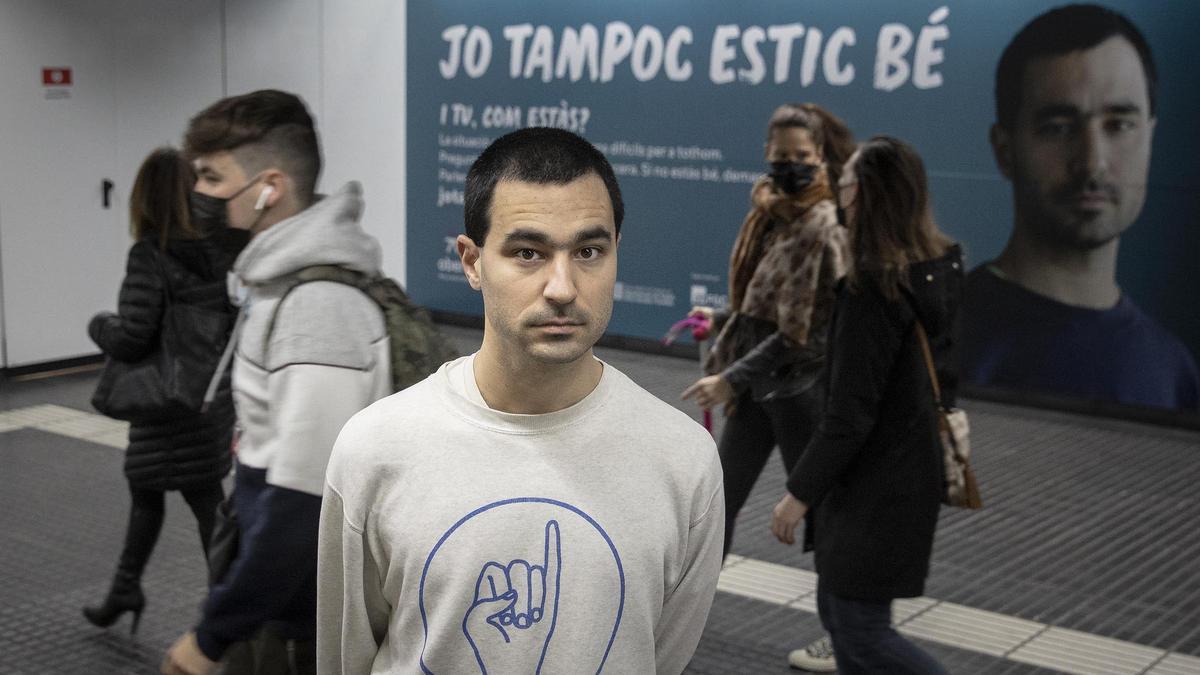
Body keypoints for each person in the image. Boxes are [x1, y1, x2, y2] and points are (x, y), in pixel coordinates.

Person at [317, 127, 724, 674]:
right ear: (472, 261)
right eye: (528, 252)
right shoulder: (375, 448)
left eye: (588, 251)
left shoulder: (683, 459)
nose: (562, 287)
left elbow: (658, 656)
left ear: (616, 255)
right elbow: (348, 656)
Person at [161, 90, 391, 675]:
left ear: (270, 187)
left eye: (212, 178)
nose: (200, 196)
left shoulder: (318, 310)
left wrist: (209, 640)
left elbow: (303, 507)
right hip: (277, 598)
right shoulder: (279, 286)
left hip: (300, 624)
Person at [771, 136, 961, 674]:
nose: (839, 193)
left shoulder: (873, 289)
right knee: (842, 615)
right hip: (910, 472)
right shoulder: (939, 269)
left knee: (860, 629)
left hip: (874, 487)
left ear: (865, 196)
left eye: (847, 181)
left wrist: (797, 496)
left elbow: (848, 417)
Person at [681, 103, 853, 673]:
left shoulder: (822, 225)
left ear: (822, 157)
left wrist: (729, 377)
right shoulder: (768, 210)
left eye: (802, 157)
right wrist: (724, 321)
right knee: (719, 498)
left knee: (822, 512)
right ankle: (683, 611)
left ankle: (848, 635)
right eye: (781, 156)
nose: (790, 167)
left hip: (800, 387)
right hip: (759, 386)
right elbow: (761, 305)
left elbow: (797, 333)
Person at [961, 3, 1199, 410]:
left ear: (1150, 138)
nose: (1092, 162)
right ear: (1005, 150)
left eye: (1119, 124)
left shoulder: (1175, 372)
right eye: (1058, 128)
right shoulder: (940, 343)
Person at [84, 147, 238, 635]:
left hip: (161, 400)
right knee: (179, 493)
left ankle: (226, 618)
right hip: (207, 397)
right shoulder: (221, 247)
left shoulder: (151, 253)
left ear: (145, 197)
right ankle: (128, 589)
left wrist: (98, 325)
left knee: (178, 498)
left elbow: (132, 336)